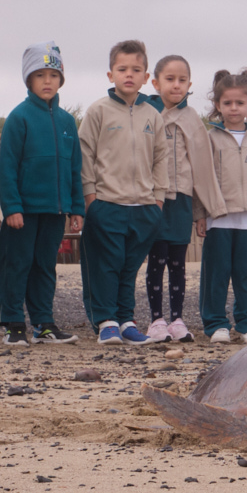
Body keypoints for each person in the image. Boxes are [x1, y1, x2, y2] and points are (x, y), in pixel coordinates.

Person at [78, 39, 164, 345]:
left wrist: (158, 200)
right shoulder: (98, 111)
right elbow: (85, 154)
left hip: (144, 206)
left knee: (129, 267)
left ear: (145, 76)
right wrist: (90, 197)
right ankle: (106, 321)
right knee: (106, 265)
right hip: (106, 203)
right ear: (110, 74)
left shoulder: (153, 115)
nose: (129, 75)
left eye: (136, 69)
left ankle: (126, 320)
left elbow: (161, 158)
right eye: (122, 69)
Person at [0, 42, 82, 346]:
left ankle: (44, 323)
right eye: (40, 74)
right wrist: (12, 207)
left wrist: (76, 209)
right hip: (24, 212)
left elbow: (75, 170)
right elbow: (6, 168)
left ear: (61, 79)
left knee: (45, 267)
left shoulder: (67, 122)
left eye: (54, 75)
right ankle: (13, 323)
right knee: (17, 266)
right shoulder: (18, 118)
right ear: (28, 80)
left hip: (55, 210)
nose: (48, 81)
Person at [192, 70, 247, 342]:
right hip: (219, 218)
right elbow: (201, 179)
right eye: (227, 103)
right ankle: (215, 323)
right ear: (218, 105)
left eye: (240, 103)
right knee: (216, 274)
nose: (234, 108)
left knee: (245, 273)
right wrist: (201, 214)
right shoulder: (210, 138)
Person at [146, 54, 199, 342]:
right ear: (155, 83)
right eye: (169, 79)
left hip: (182, 199)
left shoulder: (192, 118)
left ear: (190, 84)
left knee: (179, 262)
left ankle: (178, 318)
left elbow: (201, 163)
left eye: (182, 80)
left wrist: (202, 210)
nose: (176, 85)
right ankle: (156, 319)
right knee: (157, 259)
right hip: (156, 199)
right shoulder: (146, 113)